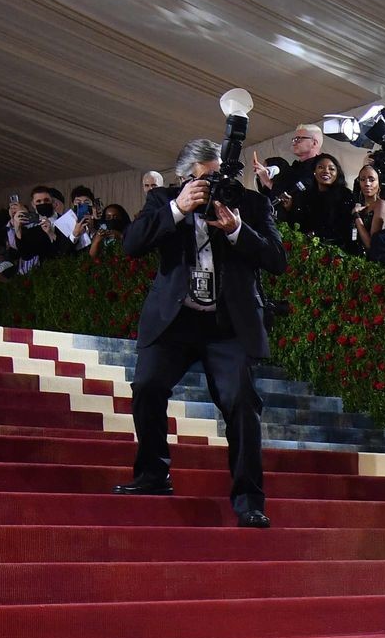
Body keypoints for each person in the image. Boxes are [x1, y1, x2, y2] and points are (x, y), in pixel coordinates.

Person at [117, 137, 287, 528]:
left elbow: (277, 261)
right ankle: (153, 474)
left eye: (220, 176)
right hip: (175, 321)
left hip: (228, 325)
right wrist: (178, 208)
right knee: (147, 386)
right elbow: (131, 245)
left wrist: (238, 230)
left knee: (241, 403)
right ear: (184, 178)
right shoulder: (163, 200)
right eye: (205, 178)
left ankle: (249, 501)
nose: (215, 185)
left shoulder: (251, 203)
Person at [291, 156, 356, 250]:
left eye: (331, 169)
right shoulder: (306, 195)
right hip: (308, 248)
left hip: (336, 250)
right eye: (321, 167)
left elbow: (344, 227)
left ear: (337, 173)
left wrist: (317, 234)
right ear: (314, 172)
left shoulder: (345, 195)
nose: (326, 171)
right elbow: (300, 223)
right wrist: (289, 209)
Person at [253, 125, 328, 204]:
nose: (294, 143)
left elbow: (297, 199)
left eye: (298, 139)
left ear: (314, 143)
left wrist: (268, 182)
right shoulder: (294, 168)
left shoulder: (322, 169)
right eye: (294, 139)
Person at [6, 185, 71, 272]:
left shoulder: (65, 221)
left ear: (52, 201)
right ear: (33, 204)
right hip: (47, 274)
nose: (43, 204)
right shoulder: (34, 228)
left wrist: (51, 234)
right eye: (38, 201)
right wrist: (17, 227)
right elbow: (26, 254)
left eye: (46, 200)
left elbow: (68, 249)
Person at [350, 165, 385, 251]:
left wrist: (356, 216)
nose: (367, 184)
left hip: (372, 258)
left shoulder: (381, 205)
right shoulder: (355, 205)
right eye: (363, 180)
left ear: (379, 182)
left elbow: (371, 245)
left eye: (372, 180)